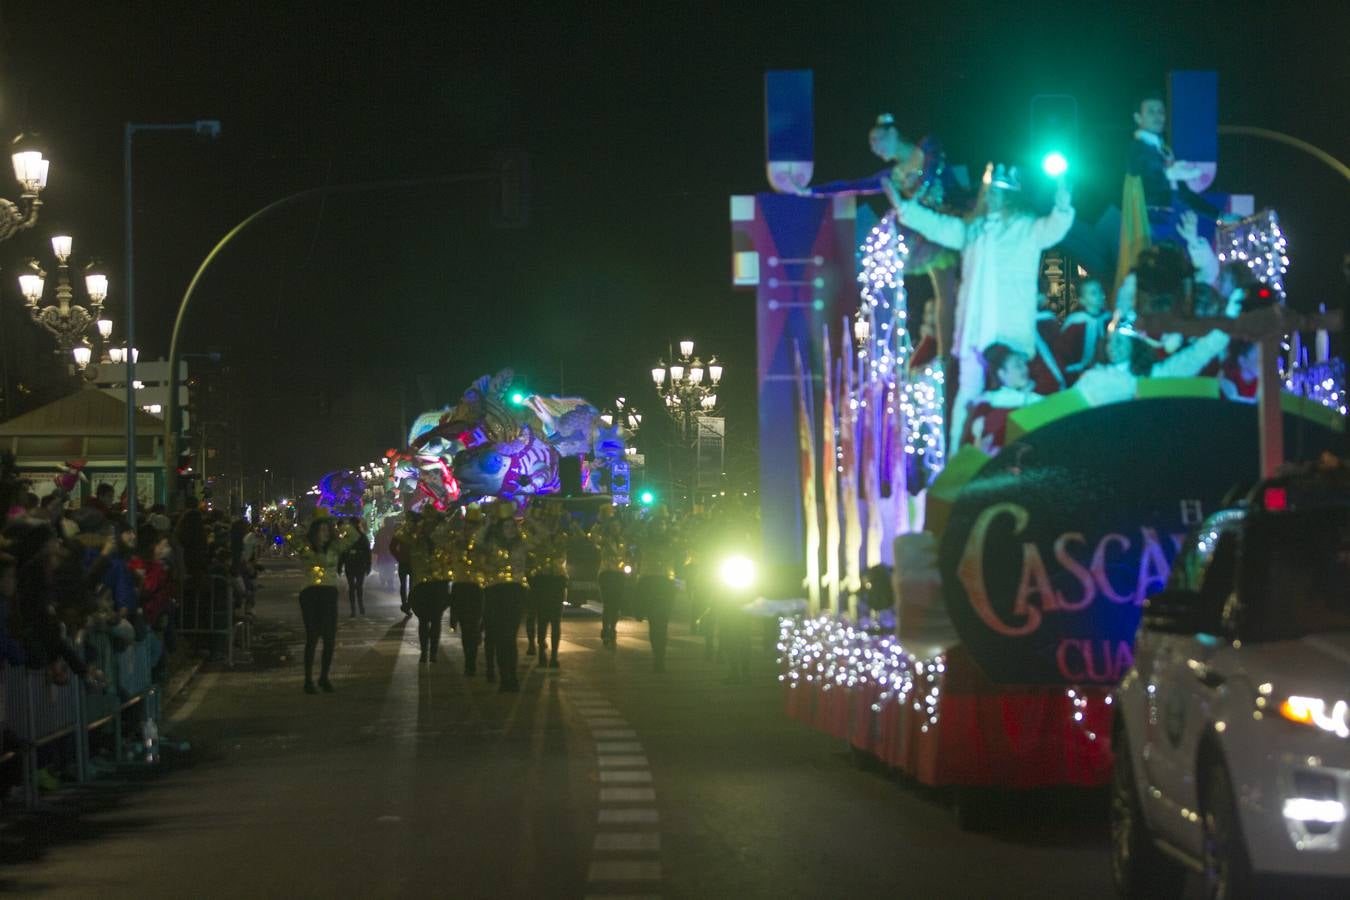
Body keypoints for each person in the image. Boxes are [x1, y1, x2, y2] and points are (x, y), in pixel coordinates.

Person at [884, 163, 1075, 449]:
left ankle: (1016, 454)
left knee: (1016, 389)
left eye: (998, 191)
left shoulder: (1025, 228)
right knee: (968, 393)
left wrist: (1062, 204)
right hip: (975, 328)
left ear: (1010, 196)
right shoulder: (973, 230)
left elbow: (1053, 228)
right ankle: (955, 461)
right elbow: (939, 227)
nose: (992, 196)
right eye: (989, 191)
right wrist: (905, 210)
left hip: (1009, 328)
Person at [289, 513, 360, 693]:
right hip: (310, 593)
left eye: (326, 530)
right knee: (312, 637)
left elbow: (354, 536)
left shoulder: (335, 547)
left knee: (329, 638)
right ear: (314, 532)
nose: (324, 533)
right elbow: (289, 536)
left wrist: (338, 525)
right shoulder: (306, 547)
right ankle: (308, 679)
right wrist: (306, 524)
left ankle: (324, 677)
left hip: (329, 592)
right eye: (321, 530)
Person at [962, 342, 1045, 453]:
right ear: (1002, 374)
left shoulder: (1035, 398)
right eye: (1018, 366)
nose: (1025, 369)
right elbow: (978, 433)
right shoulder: (988, 402)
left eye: (1024, 364)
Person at [480, 503, 528, 692]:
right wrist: (488, 524)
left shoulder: (521, 544)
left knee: (510, 637)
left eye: (512, 526)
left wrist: (529, 518)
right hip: (496, 592)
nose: (509, 529)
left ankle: (512, 676)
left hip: (515, 592)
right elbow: (477, 541)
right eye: (505, 526)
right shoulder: (492, 543)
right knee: (501, 638)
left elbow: (540, 537)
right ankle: (503, 676)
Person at [406, 511, 454, 663]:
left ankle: (432, 652)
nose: (430, 527)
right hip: (421, 586)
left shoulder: (443, 542)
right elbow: (400, 540)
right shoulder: (416, 541)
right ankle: (424, 651)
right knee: (423, 621)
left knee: (436, 620)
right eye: (427, 524)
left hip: (438, 585)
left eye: (432, 524)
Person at [634, 513, 678, 673]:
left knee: (663, 623)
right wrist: (641, 519)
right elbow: (630, 535)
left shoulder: (672, 542)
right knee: (654, 623)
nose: (660, 528)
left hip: (665, 583)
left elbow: (684, 554)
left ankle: (660, 657)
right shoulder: (645, 542)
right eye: (657, 525)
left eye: (662, 525)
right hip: (649, 582)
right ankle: (656, 655)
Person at [526, 502, 568, 669]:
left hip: (557, 579)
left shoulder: (563, 537)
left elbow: (562, 553)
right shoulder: (539, 536)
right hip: (542, 579)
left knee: (556, 620)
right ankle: (541, 652)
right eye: (550, 519)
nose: (553, 522)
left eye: (555, 520)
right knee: (542, 618)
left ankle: (554, 656)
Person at [449, 506, 486, 676]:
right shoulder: (457, 540)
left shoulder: (484, 541)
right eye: (470, 524)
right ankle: (469, 661)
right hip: (461, 586)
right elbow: (438, 536)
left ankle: (472, 654)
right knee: (465, 627)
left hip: (479, 587)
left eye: (475, 524)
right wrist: (450, 518)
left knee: (476, 626)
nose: (472, 527)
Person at [1059, 278, 1112, 382]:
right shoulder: (1076, 322)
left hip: (1102, 369)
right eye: (1093, 293)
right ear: (1082, 300)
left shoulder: (1108, 318)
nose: (1100, 295)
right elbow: (1064, 351)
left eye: (1100, 291)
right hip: (1076, 373)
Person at [592, 510, 630, 648]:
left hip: (619, 574)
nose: (616, 529)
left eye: (618, 526)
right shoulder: (604, 540)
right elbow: (594, 537)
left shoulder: (623, 541)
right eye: (613, 526)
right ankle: (606, 629)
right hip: (606, 574)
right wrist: (598, 523)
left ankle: (612, 628)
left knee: (616, 604)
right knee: (608, 603)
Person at [340, 518, 372, 617]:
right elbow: (343, 552)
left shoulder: (360, 537)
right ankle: (356, 608)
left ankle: (358, 607)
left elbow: (367, 552)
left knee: (356, 586)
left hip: (357, 564)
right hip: (354, 564)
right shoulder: (359, 537)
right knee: (355, 586)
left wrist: (368, 565)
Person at [390, 510, 416, 618]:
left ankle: (407, 604)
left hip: (410, 562)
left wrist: (399, 557)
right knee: (407, 585)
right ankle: (406, 604)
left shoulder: (405, 531)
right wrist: (399, 557)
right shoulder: (404, 531)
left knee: (408, 585)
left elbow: (392, 547)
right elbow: (392, 547)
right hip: (408, 562)